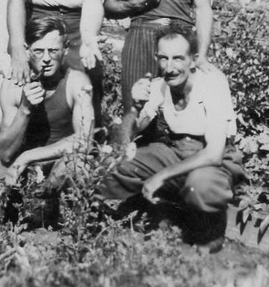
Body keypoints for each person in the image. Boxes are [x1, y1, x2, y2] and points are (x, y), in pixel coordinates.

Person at [101, 25, 244, 253]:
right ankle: (145, 210)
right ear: (156, 58)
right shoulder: (159, 86)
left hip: (216, 158)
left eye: (178, 58)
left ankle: (211, 230)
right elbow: (127, 138)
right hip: (177, 151)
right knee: (116, 165)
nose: (170, 67)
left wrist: (160, 176)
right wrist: (135, 107)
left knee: (200, 186)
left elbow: (214, 153)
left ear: (193, 60)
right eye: (164, 58)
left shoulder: (212, 83)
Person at [0, 17, 94, 220]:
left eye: (53, 51)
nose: (46, 58)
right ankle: (29, 213)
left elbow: (85, 142)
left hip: (58, 163)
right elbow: (5, 153)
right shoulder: (13, 85)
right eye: (39, 51)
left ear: (65, 50)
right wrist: (25, 110)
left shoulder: (76, 82)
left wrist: (27, 157)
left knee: (77, 167)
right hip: (19, 170)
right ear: (28, 51)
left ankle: (64, 220)